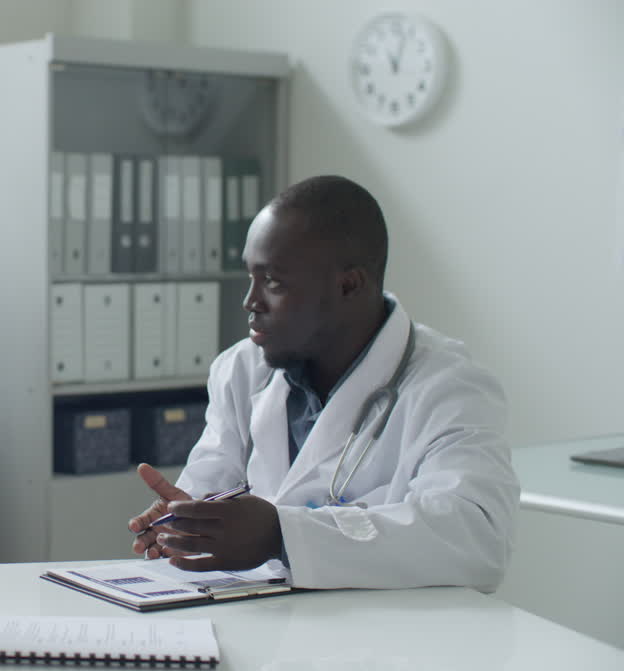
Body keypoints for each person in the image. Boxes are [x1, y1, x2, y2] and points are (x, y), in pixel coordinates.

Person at [128, 175, 519, 592]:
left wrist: (281, 535)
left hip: (393, 645)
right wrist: (183, 522)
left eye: (273, 282)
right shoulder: (242, 370)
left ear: (349, 284)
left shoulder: (449, 387)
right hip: (267, 629)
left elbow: (476, 539)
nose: (251, 302)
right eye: (250, 277)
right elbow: (211, 486)